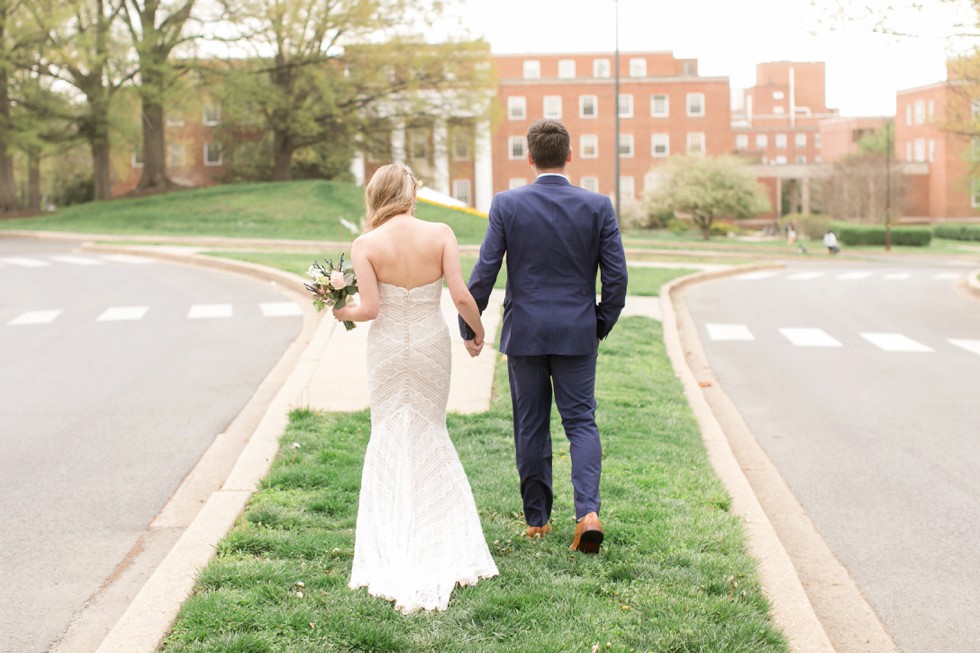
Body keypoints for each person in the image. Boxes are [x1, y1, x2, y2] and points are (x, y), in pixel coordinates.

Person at [331, 163, 498, 613]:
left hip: (386, 350)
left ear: (376, 196)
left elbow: (368, 309)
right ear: (409, 194)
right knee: (429, 429)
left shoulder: (365, 244)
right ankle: (438, 532)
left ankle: (392, 537)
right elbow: (461, 295)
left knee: (388, 431)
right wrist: (477, 331)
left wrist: (339, 311)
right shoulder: (440, 232)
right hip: (429, 345)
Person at [460, 119, 628, 554]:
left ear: (529, 158)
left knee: (531, 426)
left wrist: (470, 325)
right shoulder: (598, 206)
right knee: (581, 422)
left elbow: (485, 271)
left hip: (526, 334)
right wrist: (597, 325)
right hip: (577, 333)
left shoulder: (506, 204)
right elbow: (617, 280)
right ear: (570, 155)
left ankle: (537, 521)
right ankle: (587, 513)